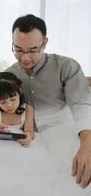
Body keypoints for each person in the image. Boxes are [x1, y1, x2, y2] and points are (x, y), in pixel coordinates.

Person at [5, 14, 91, 188]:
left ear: (45, 43)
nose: (25, 58)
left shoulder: (67, 67)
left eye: (32, 50)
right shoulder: (9, 74)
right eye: (18, 50)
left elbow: (81, 106)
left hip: (63, 132)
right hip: (26, 140)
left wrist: (87, 145)